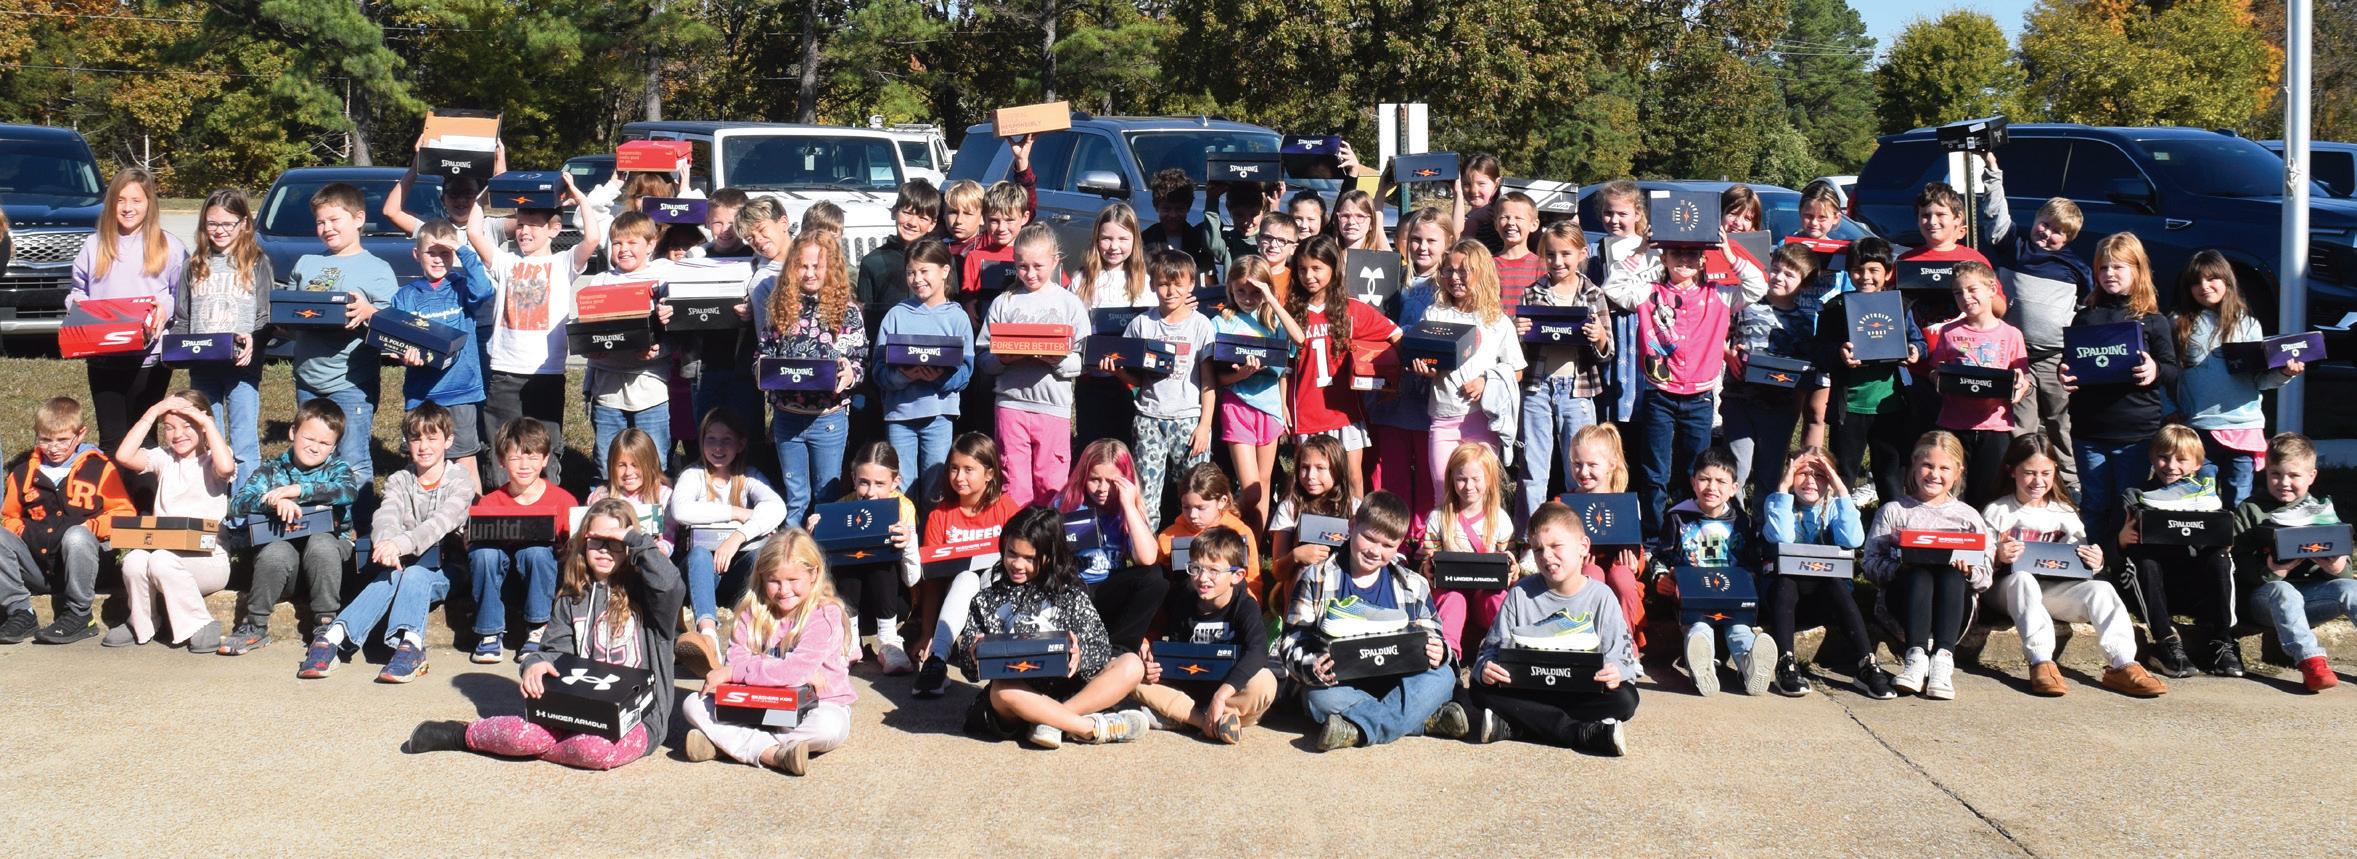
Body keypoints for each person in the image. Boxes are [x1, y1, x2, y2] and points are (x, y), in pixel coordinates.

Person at [402, 498, 685, 770]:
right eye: (597, 540)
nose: (604, 550)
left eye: (616, 543)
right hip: (578, 709)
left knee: (593, 750)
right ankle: (460, 735)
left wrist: (635, 539)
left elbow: (671, 584)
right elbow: (553, 651)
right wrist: (536, 663)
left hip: (639, 718)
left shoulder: (652, 598)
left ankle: (530, 747)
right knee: (525, 736)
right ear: (583, 542)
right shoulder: (573, 597)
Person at [1277, 490, 1468, 751]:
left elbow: (1433, 634)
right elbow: (1292, 640)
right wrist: (1313, 666)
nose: (1375, 551)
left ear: (1399, 545)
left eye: (1388, 546)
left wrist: (1440, 651)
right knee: (1316, 698)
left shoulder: (1413, 585)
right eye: (1369, 538)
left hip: (1399, 683)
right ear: (1352, 525)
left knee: (1443, 677)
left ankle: (1356, 729)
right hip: (1341, 684)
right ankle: (1421, 721)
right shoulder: (1316, 578)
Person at [297, 403, 474, 683]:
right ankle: (332, 638)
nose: (424, 446)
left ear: (448, 441)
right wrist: (385, 543)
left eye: (432, 438)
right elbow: (386, 516)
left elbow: (439, 523)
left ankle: (411, 646)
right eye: (416, 438)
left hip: (450, 569)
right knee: (396, 573)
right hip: (402, 564)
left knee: (413, 574)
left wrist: (399, 545)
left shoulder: (460, 481)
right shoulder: (399, 480)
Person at [1605, 225, 1766, 534]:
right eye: (1675, 253)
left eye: (1692, 254)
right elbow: (1614, 287)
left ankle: (1690, 534)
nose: (1684, 259)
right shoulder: (1648, 292)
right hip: (1660, 395)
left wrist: (1727, 252)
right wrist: (1641, 249)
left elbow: (1757, 286)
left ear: (1703, 260)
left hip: (1699, 398)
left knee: (1697, 470)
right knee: (1655, 471)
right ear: (1663, 258)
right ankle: (1654, 537)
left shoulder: (1719, 294)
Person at [1984, 433, 2167, 697]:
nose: (2038, 481)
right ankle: (2041, 661)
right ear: (2011, 471)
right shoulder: (1998, 511)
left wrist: (2095, 562)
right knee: (2023, 580)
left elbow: (2079, 561)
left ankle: (2123, 664)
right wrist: (1997, 556)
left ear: (2055, 471)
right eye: (2029, 473)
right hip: (2006, 589)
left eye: (2045, 473)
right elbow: (1978, 567)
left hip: (2051, 591)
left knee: (2102, 590)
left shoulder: (2063, 512)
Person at [953, 505, 1152, 748]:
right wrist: (974, 654)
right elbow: (970, 671)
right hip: (1017, 699)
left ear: (1049, 556)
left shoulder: (1071, 595)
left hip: (1069, 693)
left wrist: (1080, 654)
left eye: (1030, 558)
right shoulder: (986, 600)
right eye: (1011, 553)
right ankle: (1089, 728)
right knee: (1002, 688)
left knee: (1131, 664)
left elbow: (1100, 648)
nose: (1017, 564)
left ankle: (1050, 722)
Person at [465, 170, 605, 489]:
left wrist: (578, 196)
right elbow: (474, 231)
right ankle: (503, 503)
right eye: (520, 224)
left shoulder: (563, 263)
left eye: (533, 225)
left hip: (546, 373)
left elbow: (592, 239)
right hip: (505, 372)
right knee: (503, 446)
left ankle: (548, 504)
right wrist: (487, 193)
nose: (524, 231)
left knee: (544, 445)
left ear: (554, 229)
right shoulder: (505, 262)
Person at [1467, 501, 1636, 755]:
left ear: (1583, 546)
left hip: (1579, 692)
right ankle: (1583, 733)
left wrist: (1616, 672)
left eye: (1556, 546)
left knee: (1626, 699)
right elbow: (1489, 650)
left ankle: (1517, 727)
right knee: (1479, 690)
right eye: (1538, 549)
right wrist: (1485, 669)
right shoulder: (1520, 594)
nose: (1546, 556)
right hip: (1532, 688)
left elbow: (1624, 659)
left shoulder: (1602, 597)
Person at [680, 530, 855, 774]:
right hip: (757, 707)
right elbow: (740, 662)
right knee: (692, 704)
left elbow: (789, 671)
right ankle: (774, 754)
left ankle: (727, 744)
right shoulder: (751, 611)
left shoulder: (825, 614)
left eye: (793, 580)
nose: (784, 590)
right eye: (774, 581)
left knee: (829, 727)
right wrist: (790, 674)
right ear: (762, 577)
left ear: (814, 574)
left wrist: (739, 672)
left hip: (815, 707)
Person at [1979, 153, 2093, 496]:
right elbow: (1996, 215)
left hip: (2057, 359)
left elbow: (2086, 311)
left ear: (2068, 239)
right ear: (2036, 218)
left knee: (2061, 422)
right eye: (2045, 224)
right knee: (2022, 425)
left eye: (2058, 232)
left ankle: (2071, 484)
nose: (2048, 233)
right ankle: (2022, 483)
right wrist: (1993, 174)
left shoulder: (2075, 269)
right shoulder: (2014, 247)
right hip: (2017, 357)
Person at [2065, 233, 2183, 549]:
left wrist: (2155, 370)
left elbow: (2172, 371)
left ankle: (2125, 567)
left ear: (2137, 269)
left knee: (2129, 505)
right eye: (2103, 267)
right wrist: (2065, 374)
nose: (2110, 274)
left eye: (2118, 267)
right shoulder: (2085, 317)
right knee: (2094, 504)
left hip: (2135, 433)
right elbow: (2071, 364)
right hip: (2090, 432)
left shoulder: (2153, 321)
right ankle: (2095, 564)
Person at [217, 399, 361, 655]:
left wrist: (299, 490)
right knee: (276, 551)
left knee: (321, 543)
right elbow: (237, 504)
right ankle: (255, 626)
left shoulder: (338, 469)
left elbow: (347, 491)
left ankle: (326, 625)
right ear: (293, 432)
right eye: (309, 438)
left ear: (334, 447)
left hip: (329, 566)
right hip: (287, 570)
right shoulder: (271, 471)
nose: (315, 447)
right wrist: (272, 502)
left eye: (324, 443)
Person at [288, 183, 403, 497]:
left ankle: (358, 522)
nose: (327, 228)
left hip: (351, 382)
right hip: (308, 378)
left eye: (334, 220)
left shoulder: (377, 269)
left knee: (352, 459)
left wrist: (369, 312)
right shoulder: (306, 263)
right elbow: (288, 312)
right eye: (320, 222)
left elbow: (395, 323)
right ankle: (317, 518)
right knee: (311, 456)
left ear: (359, 218)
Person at [1863, 431, 1992, 700]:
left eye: (1944, 468)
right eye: (1927, 465)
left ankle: (1943, 661)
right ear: (1914, 465)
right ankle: (1916, 657)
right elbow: (1870, 565)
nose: (1934, 474)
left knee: (1950, 574)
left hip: (1953, 609)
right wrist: (1899, 567)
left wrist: (1969, 570)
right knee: (1920, 574)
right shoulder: (1895, 511)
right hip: (1903, 606)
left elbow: (1985, 576)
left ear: (1958, 472)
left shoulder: (1968, 517)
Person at [104, 392, 235, 652]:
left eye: (187, 425)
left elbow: (226, 468)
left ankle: (201, 623)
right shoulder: (164, 458)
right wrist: (153, 411)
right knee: (134, 560)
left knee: (161, 559)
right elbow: (124, 456)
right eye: (169, 427)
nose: (178, 434)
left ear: (203, 424)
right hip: (164, 558)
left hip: (208, 559)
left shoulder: (215, 458)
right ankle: (141, 622)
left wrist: (208, 424)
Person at [1759, 448, 1894, 699]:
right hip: (1782, 601)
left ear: (1831, 480)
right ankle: (1786, 663)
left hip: (1825, 600)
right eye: (1802, 473)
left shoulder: (1833, 507)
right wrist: (1783, 488)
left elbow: (1853, 539)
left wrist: (1841, 492)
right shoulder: (1778, 502)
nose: (1810, 481)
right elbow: (1781, 536)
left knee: (1832, 580)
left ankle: (1866, 663)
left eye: (1820, 475)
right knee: (1786, 579)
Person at [2175, 249, 2303, 511]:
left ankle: (2239, 538)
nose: (2204, 286)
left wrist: (2285, 373)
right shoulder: (2179, 324)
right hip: (2199, 428)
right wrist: (2171, 411)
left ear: (2227, 281)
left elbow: (2260, 380)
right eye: (2196, 282)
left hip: (2243, 427)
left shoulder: (2249, 325)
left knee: (2239, 500)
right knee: (2200, 502)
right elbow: (2169, 375)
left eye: (2212, 279)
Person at [0, 397, 133, 646]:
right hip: (38, 566)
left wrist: (91, 527)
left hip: (85, 566)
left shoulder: (100, 468)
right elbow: (9, 516)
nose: (53, 448)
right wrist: (22, 530)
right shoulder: (22, 473)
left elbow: (124, 513)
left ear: (80, 434)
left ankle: (80, 615)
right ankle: (20, 612)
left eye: (62, 440)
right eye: (45, 439)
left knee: (76, 536)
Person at [755, 229, 868, 524]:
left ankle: (823, 551)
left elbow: (859, 360)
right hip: (787, 417)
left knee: (825, 496)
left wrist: (850, 374)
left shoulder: (847, 312)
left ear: (831, 268)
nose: (809, 273)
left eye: (817, 266)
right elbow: (763, 353)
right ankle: (792, 549)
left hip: (828, 419)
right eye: (802, 266)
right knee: (796, 497)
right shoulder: (780, 307)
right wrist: (762, 369)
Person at [71, 168, 185, 456]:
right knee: (111, 439)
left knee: (143, 438)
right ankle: (113, 486)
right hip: (103, 357)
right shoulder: (94, 245)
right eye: (120, 200)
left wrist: (165, 308)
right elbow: (78, 291)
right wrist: (78, 309)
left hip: (149, 358)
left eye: (136, 200)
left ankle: (144, 486)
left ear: (149, 203)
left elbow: (182, 294)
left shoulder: (169, 246)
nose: (127, 208)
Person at [975, 224, 1091, 507]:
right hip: (1010, 404)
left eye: (1038, 266)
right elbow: (983, 356)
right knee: (1014, 484)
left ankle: (1050, 534)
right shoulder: (1004, 302)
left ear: (1055, 261)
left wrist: (1058, 361)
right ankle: (1017, 534)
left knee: (1051, 483)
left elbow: (1084, 359)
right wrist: (1002, 359)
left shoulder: (1069, 303)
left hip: (1052, 407)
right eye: (1022, 266)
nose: (1030, 274)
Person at [671, 408, 788, 674]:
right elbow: (681, 511)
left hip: (734, 574)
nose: (718, 447)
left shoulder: (748, 477)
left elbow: (777, 508)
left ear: (741, 444)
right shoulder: (692, 475)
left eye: (726, 440)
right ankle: (708, 636)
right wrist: (736, 513)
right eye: (711, 439)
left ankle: (759, 633)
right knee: (700, 554)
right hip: (700, 574)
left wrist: (737, 537)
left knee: (760, 556)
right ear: (701, 442)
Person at [1284, 234, 1400, 499]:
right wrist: (1284, 406)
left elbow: (1395, 334)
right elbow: (1285, 367)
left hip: (1344, 411)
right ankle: (1309, 525)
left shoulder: (1352, 309)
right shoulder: (1291, 312)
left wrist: (1391, 382)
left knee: (1353, 478)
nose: (1308, 276)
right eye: (1302, 269)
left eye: (1316, 268)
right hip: (1307, 410)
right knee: (1310, 483)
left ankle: (1355, 525)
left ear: (1333, 268)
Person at [2235, 432, 2351, 692]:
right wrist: (2271, 571)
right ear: (2266, 472)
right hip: (2264, 599)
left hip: (2312, 598)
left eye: (2294, 475)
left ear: (2312, 476)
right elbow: (2234, 565)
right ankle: (2312, 663)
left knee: (2351, 589)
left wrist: (2337, 569)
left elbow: (2343, 566)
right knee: (2284, 591)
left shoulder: (2322, 512)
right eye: (2275, 474)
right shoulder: (2250, 510)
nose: (2284, 483)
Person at [1135, 525, 1273, 743]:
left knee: (1265, 682)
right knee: (1133, 675)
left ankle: (1189, 717)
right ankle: (1210, 722)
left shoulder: (1245, 605)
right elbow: (1165, 645)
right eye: (1196, 568)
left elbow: (1258, 651)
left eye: (1213, 571)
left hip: (1228, 690)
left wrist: (1221, 695)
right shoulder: (1182, 598)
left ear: (1237, 575)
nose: (1202, 578)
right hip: (1190, 686)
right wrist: (1152, 666)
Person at [2119, 424, 2237, 679]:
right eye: (2163, 457)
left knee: (2220, 557)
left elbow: (2220, 543)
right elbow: (2112, 551)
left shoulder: (2208, 499)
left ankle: (2222, 642)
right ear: (2152, 458)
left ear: (2198, 464)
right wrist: (2121, 540)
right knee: (2144, 559)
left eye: (2181, 459)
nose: (2171, 466)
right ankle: (2166, 642)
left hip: (2193, 586)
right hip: (2150, 589)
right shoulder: (2136, 495)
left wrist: (2221, 539)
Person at [1656, 446, 1775, 696]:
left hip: (1732, 600)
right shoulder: (1678, 518)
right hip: (1692, 599)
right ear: (1693, 482)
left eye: (1721, 481)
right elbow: (1661, 556)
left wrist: (1750, 582)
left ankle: (1751, 666)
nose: (1712, 487)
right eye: (1704, 479)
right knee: (1698, 630)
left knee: (1740, 630)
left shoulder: (1742, 522)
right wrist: (1661, 577)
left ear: (1734, 488)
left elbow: (1752, 563)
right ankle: (1703, 669)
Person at [1514, 221, 1612, 526]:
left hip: (1577, 389)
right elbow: (1517, 353)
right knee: (1533, 466)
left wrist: (1599, 336)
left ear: (1582, 254)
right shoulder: (1532, 293)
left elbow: (1608, 351)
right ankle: (1529, 535)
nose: (1558, 261)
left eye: (1566, 254)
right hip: (1537, 387)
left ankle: (1581, 532)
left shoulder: (1593, 294)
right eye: (1551, 255)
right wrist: (1518, 334)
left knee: (1581, 466)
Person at [171, 188, 271, 485]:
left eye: (228, 223)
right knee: (206, 434)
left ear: (244, 223)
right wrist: (174, 350)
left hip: (242, 366)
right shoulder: (194, 264)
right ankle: (213, 499)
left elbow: (266, 315)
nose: (219, 230)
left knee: (243, 440)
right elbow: (183, 316)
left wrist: (255, 341)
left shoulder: (257, 262)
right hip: (202, 366)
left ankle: (244, 501)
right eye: (212, 223)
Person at [385, 218, 495, 484]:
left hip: (461, 391)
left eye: (445, 253)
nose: (437, 259)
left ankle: (471, 510)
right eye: (431, 253)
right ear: (416, 254)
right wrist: (404, 356)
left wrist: (462, 249)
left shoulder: (462, 287)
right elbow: (394, 342)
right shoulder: (406, 295)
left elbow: (484, 289)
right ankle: (424, 507)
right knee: (423, 460)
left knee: (465, 459)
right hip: (422, 394)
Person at [911, 432, 1021, 698]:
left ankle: (1006, 653)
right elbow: (932, 583)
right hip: (959, 601)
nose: (959, 477)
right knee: (966, 579)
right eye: (954, 468)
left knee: (992, 574)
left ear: (989, 473)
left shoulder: (1006, 509)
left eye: (968, 469)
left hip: (1001, 598)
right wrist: (926, 633)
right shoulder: (939, 516)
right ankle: (937, 661)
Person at [1816, 237, 1923, 508]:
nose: (1865, 277)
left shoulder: (1900, 305)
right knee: (1843, 473)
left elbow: (1917, 340)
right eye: (1857, 270)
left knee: (1891, 473)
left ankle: (1891, 522)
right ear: (1848, 272)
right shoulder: (1835, 308)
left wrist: (1914, 350)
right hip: (1850, 407)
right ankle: (1839, 524)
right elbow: (1819, 351)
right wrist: (1839, 354)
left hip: (1891, 405)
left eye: (1874, 270)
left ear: (1887, 273)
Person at [1413, 241, 1525, 497]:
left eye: (1463, 271)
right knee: (1443, 489)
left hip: (1481, 419)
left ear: (1482, 273)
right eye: (1449, 270)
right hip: (1443, 418)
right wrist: (1426, 369)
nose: (1455, 278)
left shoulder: (1497, 321)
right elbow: (1426, 359)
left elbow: (1517, 370)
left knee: (1479, 493)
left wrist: (1487, 381)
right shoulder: (1434, 314)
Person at [1115, 250, 1218, 524]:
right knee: (1146, 496)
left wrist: (1204, 425)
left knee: (1197, 492)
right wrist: (1118, 371)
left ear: (1191, 284)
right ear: (1152, 285)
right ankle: (1146, 546)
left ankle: (1197, 543)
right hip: (1149, 419)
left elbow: (1209, 381)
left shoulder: (1201, 325)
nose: (1170, 291)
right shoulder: (1141, 324)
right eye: (1163, 284)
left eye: (1178, 284)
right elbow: (1136, 379)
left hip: (1189, 421)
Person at [466, 417, 579, 664]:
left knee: (536, 551)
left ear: (545, 459)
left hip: (543, 581)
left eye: (532, 457)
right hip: (501, 584)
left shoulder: (563, 501)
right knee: (483, 552)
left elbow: (577, 550)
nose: (524, 465)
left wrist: (568, 552)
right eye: (516, 458)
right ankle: (489, 632)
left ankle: (538, 628)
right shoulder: (489, 503)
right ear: (501, 461)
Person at [806, 441, 921, 674]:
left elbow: (912, 579)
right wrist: (812, 540)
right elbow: (819, 578)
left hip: (892, 605)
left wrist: (908, 543)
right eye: (864, 482)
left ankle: (889, 642)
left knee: (878, 552)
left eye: (880, 484)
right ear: (853, 478)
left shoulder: (904, 508)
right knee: (850, 551)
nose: (870, 492)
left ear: (895, 482)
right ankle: (849, 640)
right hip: (850, 606)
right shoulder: (841, 507)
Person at [1366, 208, 1453, 515]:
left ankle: (1425, 532)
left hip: (1430, 394)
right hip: (1394, 391)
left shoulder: (1450, 285)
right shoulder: (1396, 279)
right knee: (1394, 471)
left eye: (1431, 240)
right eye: (1416, 239)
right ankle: (1397, 532)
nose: (1422, 247)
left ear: (1448, 242)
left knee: (1430, 474)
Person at [580, 211, 678, 480]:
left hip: (651, 387)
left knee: (654, 460)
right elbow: (587, 331)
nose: (623, 249)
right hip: (607, 389)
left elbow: (678, 332)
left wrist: (659, 350)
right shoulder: (600, 281)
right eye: (617, 243)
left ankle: (656, 505)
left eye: (632, 242)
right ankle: (606, 502)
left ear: (651, 244)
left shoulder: (664, 278)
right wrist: (591, 348)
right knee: (607, 461)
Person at [876, 239, 974, 507]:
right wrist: (904, 376)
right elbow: (879, 369)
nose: (917, 279)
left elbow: (966, 372)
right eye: (911, 272)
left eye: (924, 271)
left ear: (944, 271)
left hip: (939, 415)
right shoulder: (895, 315)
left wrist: (940, 378)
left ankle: (931, 533)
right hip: (900, 415)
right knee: (901, 486)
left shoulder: (957, 317)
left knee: (936, 485)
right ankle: (906, 533)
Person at [1927, 262, 2031, 509]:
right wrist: (1939, 378)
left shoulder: (2011, 334)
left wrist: (2020, 386)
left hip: (1994, 426)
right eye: (1958, 293)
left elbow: (2022, 377)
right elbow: (1935, 370)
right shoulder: (1949, 332)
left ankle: (1984, 532)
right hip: (1954, 424)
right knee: (1952, 490)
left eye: (1972, 289)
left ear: (1992, 289)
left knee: (1989, 492)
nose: (1965, 297)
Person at [1209, 256, 1302, 528]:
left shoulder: (1274, 323)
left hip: (1270, 407)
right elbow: (1217, 378)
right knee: (1250, 490)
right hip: (1238, 404)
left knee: (1264, 482)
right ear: (1230, 288)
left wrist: (1271, 299)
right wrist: (1242, 374)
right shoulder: (1222, 322)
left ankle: (1254, 545)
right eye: (1241, 291)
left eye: (1255, 292)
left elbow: (1298, 340)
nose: (1248, 298)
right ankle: (1215, 525)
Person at [1724, 243, 1820, 504]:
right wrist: (1728, 354)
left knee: (1770, 470)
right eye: (1775, 270)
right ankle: (1734, 519)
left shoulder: (1803, 321)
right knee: (1737, 466)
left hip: (1779, 406)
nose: (1779, 277)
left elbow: (1803, 367)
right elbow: (1720, 335)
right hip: (1739, 399)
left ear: (1804, 283)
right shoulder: (1746, 303)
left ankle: (1762, 521)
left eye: (1789, 274)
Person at [1055, 439, 1167, 652]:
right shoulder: (1068, 505)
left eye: (1111, 481)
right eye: (1094, 479)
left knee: (1155, 578)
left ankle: (1118, 650)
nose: (1102, 488)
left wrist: (1129, 506)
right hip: (1075, 590)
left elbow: (1147, 558)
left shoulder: (1127, 511)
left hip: (1109, 590)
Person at [1421, 442, 1518, 657]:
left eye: (1476, 479)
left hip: (1484, 594)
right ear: (1451, 479)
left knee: (1497, 598)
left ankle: (1507, 651)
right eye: (1461, 479)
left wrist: (1512, 569)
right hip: (1450, 592)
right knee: (1454, 600)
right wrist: (1426, 568)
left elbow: (1508, 562)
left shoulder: (1500, 519)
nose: (1468, 486)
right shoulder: (1439, 518)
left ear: (1489, 479)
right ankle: (1448, 656)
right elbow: (1428, 560)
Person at [1071, 203, 1155, 447]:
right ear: (1096, 239)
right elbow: (1074, 327)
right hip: (1093, 379)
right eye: (1106, 238)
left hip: (1130, 382)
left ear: (1134, 240)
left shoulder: (1145, 282)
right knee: (1093, 446)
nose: (1114, 246)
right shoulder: (1082, 279)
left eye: (1122, 239)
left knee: (1126, 446)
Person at [1567, 424, 1647, 651]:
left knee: (1622, 577)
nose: (1583, 472)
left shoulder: (1625, 505)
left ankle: (1625, 646)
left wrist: (1635, 564)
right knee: (1591, 574)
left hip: (1618, 570)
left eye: (1592, 465)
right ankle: (1593, 645)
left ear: (1611, 464)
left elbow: (1636, 546)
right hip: (1583, 573)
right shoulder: (1564, 504)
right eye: (1577, 464)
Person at [1268, 434, 1360, 608]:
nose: (1311, 475)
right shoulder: (1290, 508)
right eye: (1304, 467)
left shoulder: (1354, 509)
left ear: (1338, 469)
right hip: (1300, 597)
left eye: (1320, 468)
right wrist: (1296, 556)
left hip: (1344, 594)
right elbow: (1278, 572)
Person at [1155, 462, 1264, 603]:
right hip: (1184, 608)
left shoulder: (1240, 532)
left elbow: (1251, 580)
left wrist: (1250, 607)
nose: (1193, 515)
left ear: (1222, 501)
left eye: (1201, 508)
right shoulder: (1168, 538)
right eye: (1186, 507)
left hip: (1229, 607)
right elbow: (1159, 587)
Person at [585, 428, 671, 553]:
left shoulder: (664, 496)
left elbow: (669, 538)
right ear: (611, 466)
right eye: (621, 465)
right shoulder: (600, 497)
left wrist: (663, 548)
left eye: (635, 465)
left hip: (648, 560)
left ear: (650, 464)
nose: (628, 472)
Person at [1487, 192, 1543, 310]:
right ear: (1496, 224)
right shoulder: (1486, 265)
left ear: (1534, 224)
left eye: (1518, 218)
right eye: (1504, 217)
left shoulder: (1542, 266)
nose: (1511, 222)